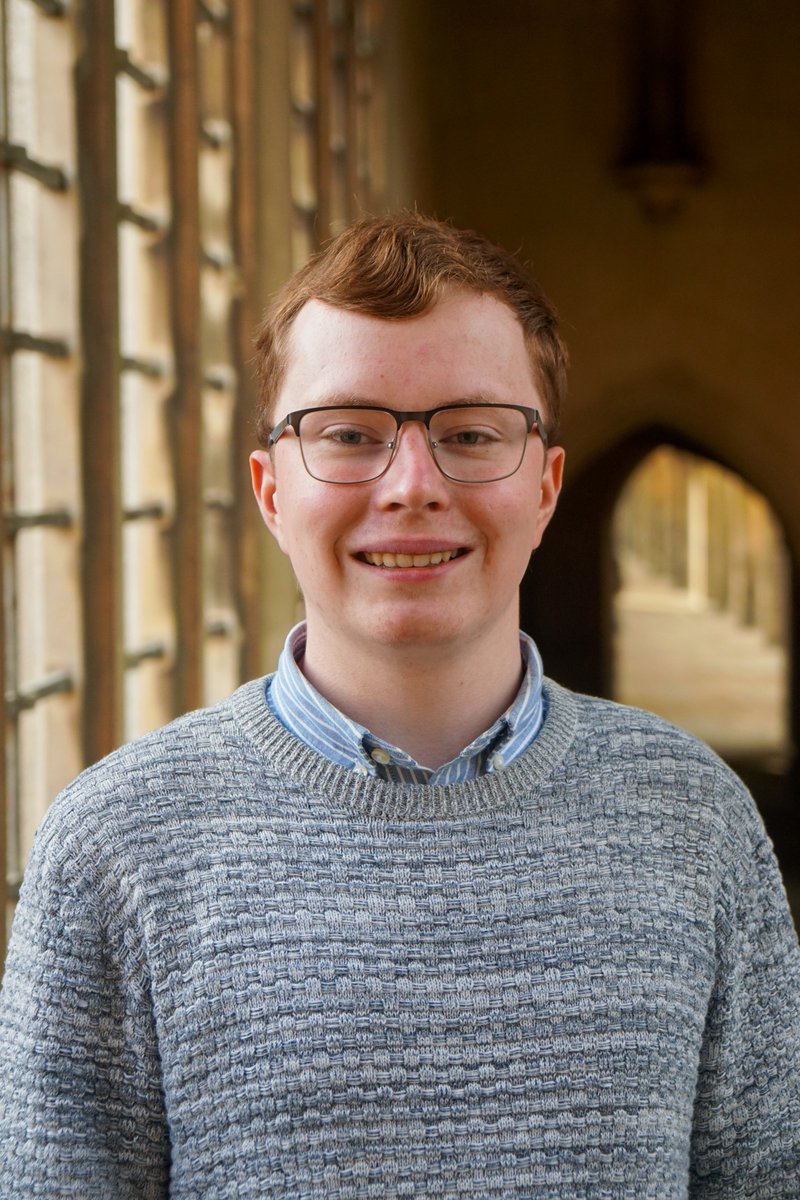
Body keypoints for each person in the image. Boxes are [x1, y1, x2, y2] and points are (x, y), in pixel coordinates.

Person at [1, 213, 798, 1199]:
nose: (411, 486)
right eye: (348, 435)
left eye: (470, 434)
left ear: (545, 487)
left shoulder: (695, 817)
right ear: (269, 490)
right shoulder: (114, 842)